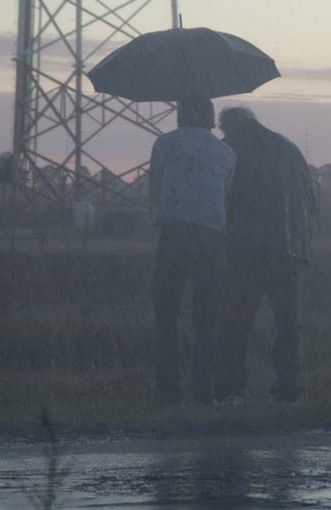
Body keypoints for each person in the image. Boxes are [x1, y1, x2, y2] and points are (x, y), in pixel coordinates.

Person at [216, 106, 317, 403]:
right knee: (287, 322)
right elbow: (310, 200)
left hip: (246, 251)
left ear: (227, 126)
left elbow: (220, 199)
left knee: (237, 321)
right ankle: (287, 388)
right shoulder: (289, 148)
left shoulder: (227, 149)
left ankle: (232, 389)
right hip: (291, 249)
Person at [148, 96, 235, 405]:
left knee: (166, 316)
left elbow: (154, 190)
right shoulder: (226, 153)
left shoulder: (165, 144)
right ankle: (204, 391)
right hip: (210, 238)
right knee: (207, 317)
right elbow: (223, 194)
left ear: (180, 114)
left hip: (173, 235)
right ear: (211, 116)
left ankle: (169, 389)